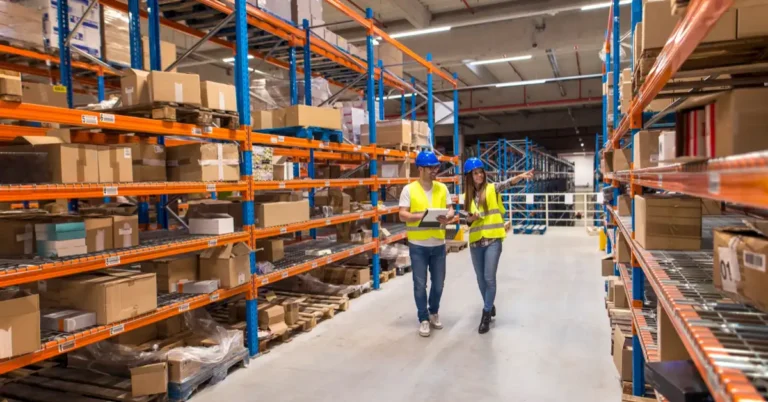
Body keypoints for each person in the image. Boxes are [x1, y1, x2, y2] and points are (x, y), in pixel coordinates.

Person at [463, 157, 533, 334]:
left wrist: (521, 176)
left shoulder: (492, 188)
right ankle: (490, 303)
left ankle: (486, 314)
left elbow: (508, 183)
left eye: (480, 172)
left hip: (493, 240)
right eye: (475, 173)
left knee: (489, 278)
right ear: (469, 177)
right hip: (476, 241)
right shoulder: (467, 196)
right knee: (480, 279)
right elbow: (466, 221)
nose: (479, 175)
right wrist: (470, 219)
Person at [399, 150, 455, 337]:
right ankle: (423, 318)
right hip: (418, 245)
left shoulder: (442, 188)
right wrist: (421, 216)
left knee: (438, 284)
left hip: (438, 243)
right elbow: (402, 214)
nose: (435, 170)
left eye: (436, 167)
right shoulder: (409, 190)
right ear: (421, 169)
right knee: (419, 284)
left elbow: (450, 209)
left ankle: (434, 312)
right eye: (431, 168)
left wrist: (448, 217)